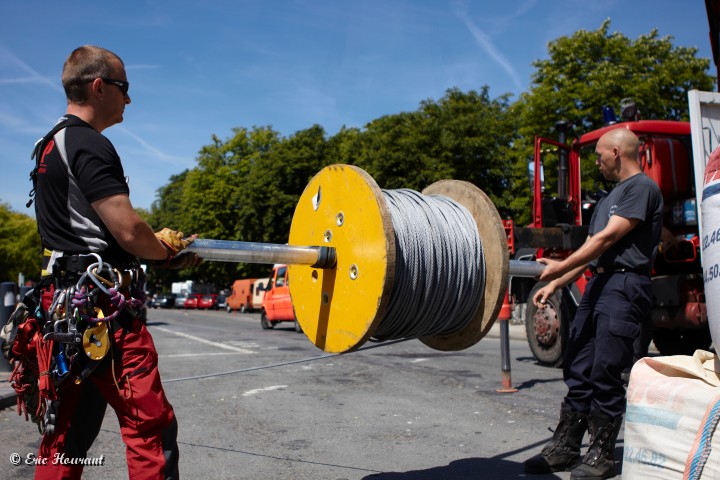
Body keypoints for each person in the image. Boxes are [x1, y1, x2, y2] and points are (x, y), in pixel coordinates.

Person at [29, 45, 200, 479]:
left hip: (64, 313)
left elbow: (85, 231)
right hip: (103, 315)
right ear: (99, 86)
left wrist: (141, 246)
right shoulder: (88, 142)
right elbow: (126, 230)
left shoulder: (49, 144)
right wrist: (164, 253)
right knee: (149, 426)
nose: (129, 99)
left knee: (66, 433)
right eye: (124, 89)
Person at [523, 128, 663, 480]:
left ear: (617, 152)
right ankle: (567, 446)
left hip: (625, 283)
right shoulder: (608, 197)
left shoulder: (641, 189)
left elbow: (608, 237)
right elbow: (593, 252)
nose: (596, 162)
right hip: (601, 281)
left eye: (600, 155)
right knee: (579, 364)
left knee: (607, 369)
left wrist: (559, 265)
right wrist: (557, 281)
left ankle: (601, 453)